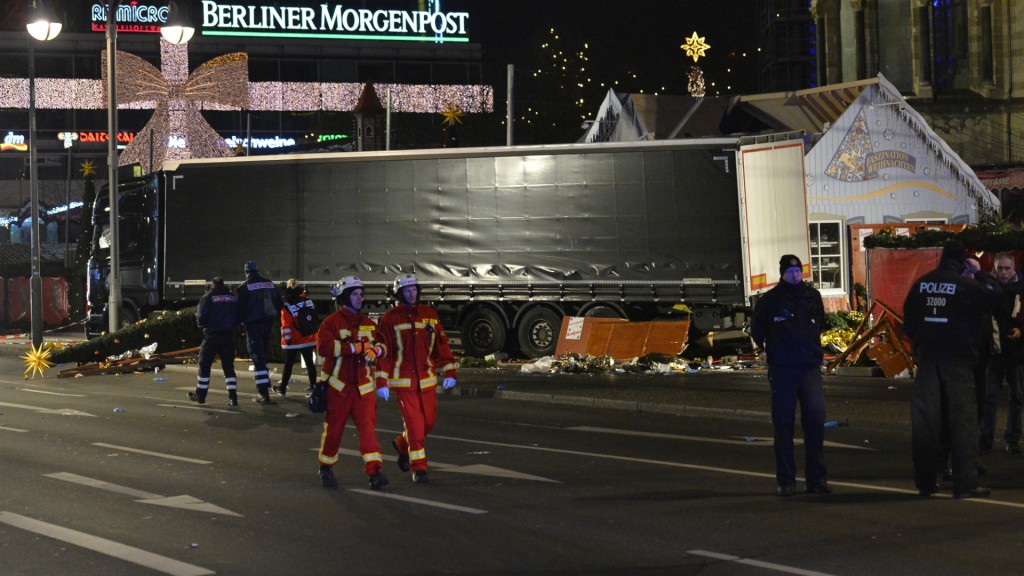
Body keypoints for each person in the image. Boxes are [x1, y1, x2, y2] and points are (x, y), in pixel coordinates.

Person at [903, 240, 1002, 499]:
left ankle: (926, 482)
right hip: (958, 363)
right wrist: (979, 272)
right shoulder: (965, 286)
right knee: (963, 424)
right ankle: (965, 484)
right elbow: (995, 294)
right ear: (962, 262)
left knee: (926, 425)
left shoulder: (921, 284)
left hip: (928, 362)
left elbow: (909, 322)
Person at [750, 255, 830, 497]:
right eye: (791, 272)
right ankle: (786, 481)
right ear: (782, 273)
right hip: (784, 371)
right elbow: (757, 330)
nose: (796, 275)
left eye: (799, 271)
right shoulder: (770, 301)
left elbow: (821, 325)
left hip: (809, 370)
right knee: (783, 427)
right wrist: (773, 350)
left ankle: (816, 480)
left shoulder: (811, 297)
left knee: (815, 426)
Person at [375, 274, 458, 483]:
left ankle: (402, 445)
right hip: (404, 382)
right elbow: (385, 353)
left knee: (428, 423)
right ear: (399, 293)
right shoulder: (390, 319)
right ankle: (419, 468)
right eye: (407, 290)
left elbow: (441, 343)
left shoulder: (429, 314)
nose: (412, 293)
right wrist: (381, 381)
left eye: (414, 289)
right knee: (415, 426)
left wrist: (450, 371)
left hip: (427, 380)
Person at [315, 276, 389, 490]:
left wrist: (376, 350)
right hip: (338, 389)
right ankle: (326, 467)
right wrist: (353, 348)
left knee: (368, 431)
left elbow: (383, 347)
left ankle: (375, 472)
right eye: (355, 294)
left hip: (363, 389)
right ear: (345, 297)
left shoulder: (367, 323)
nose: (360, 297)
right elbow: (324, 348)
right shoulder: (331, 323)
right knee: (334, 431)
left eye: (361, 294)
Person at [980, 252, 1024, 454]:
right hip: (995, 352)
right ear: (995, 269)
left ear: (1014, 269)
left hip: (1016, 353)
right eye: (1000, 268)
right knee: (989, 398)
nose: (1004, 272)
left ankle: (1012, 439)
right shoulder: (989, 289)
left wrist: (1021, 331)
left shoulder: (1021, 289)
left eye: (1007, 268)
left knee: (1017, 397)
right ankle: (985, 440)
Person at [236, 260, 283, 404]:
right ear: (257, 270)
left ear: (246, 272)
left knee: (257, 358)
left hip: (253, 325)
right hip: (268, 324)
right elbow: (279, 303)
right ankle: (265, 384)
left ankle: (263, 393)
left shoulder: (244, 288)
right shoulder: (270, 283)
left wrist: (240, 322)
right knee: (263, 355)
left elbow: (239, 310)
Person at [189, 277, 239, 406]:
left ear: (213, 285)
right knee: (228, 368)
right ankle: (233, 397)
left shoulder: (208, 297)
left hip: (212, 336)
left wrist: (204, 329)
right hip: (228, 337)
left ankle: (201, 396)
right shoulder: (232, 297)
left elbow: (200, 317)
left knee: (204, 366)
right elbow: (238, 315)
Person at [274, 279, 318, 397]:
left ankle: (282, 388)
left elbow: (286, 325)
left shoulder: (287, 304)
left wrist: (287, 341)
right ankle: (313, 387)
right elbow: (314, 318)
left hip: (294, 341)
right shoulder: (308, 301)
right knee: (310, 364)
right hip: (308, 338)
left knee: (288, 365)